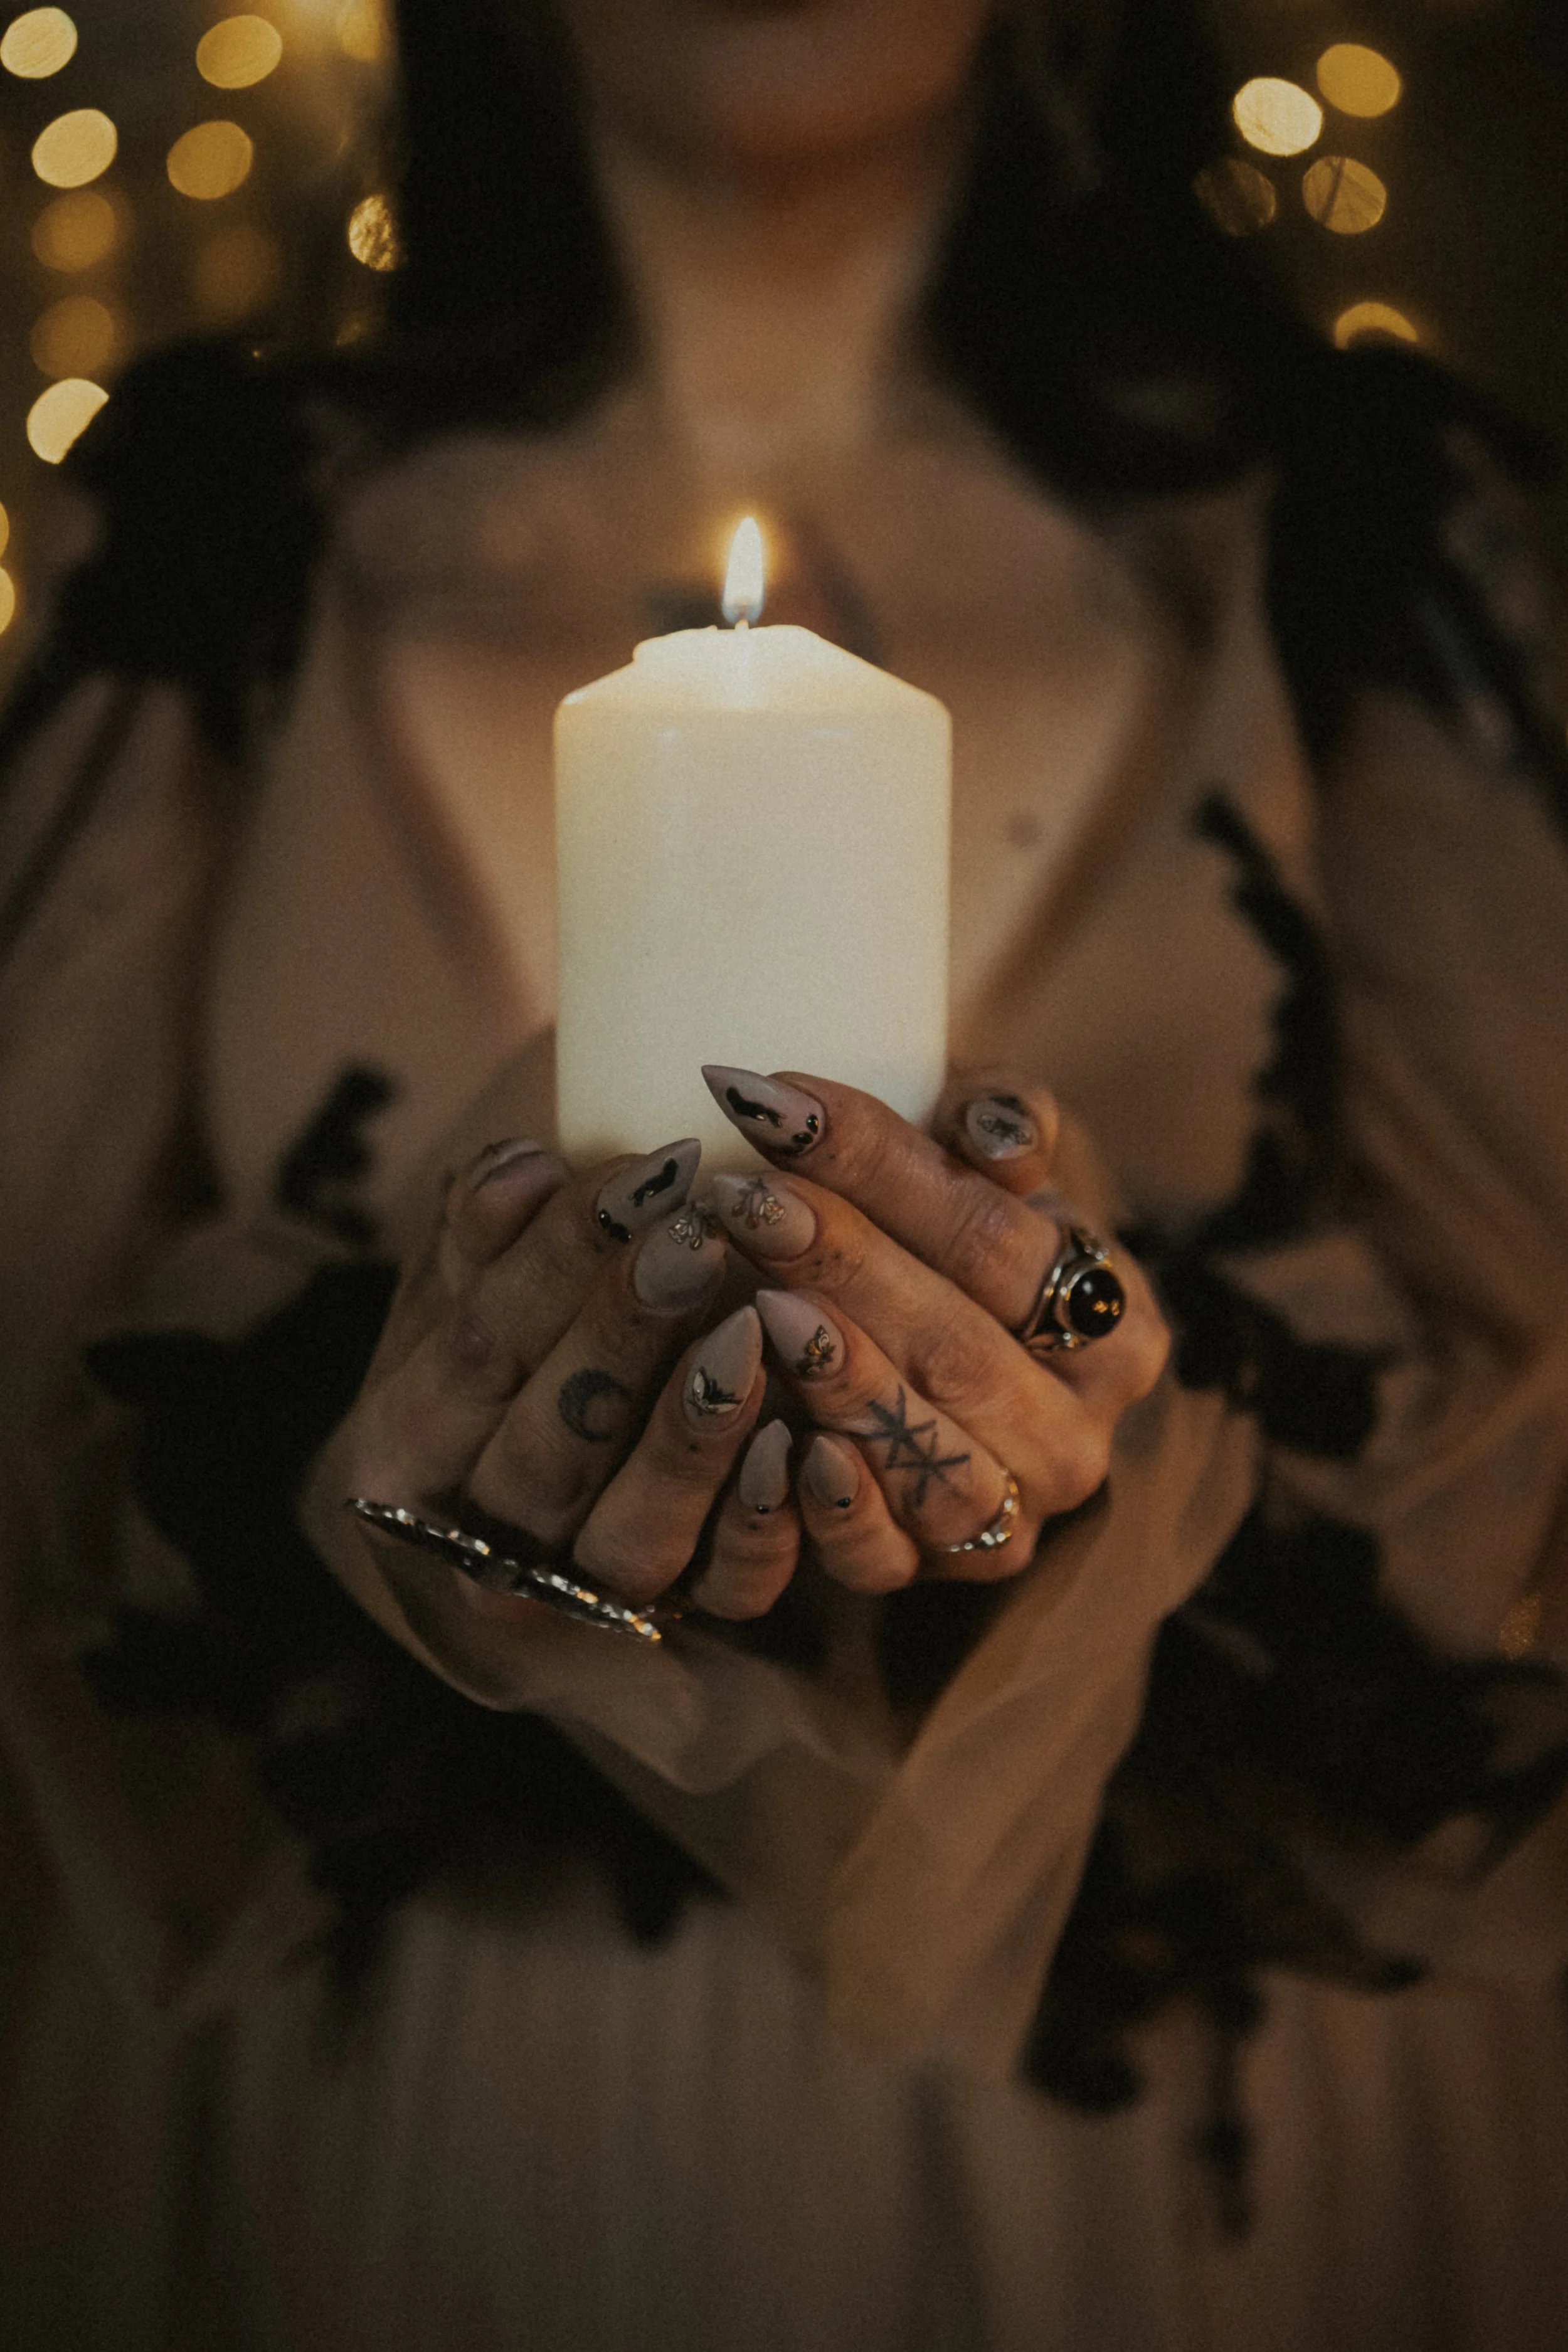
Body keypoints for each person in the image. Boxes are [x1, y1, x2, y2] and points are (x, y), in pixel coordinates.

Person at [3, 1, 1568, 2344]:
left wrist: (1104, 1366)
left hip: (1172, 2194)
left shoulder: (1359, 530)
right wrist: (377, 1450)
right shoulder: (222, 537)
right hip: (410, 2142)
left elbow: (1516, 1449)